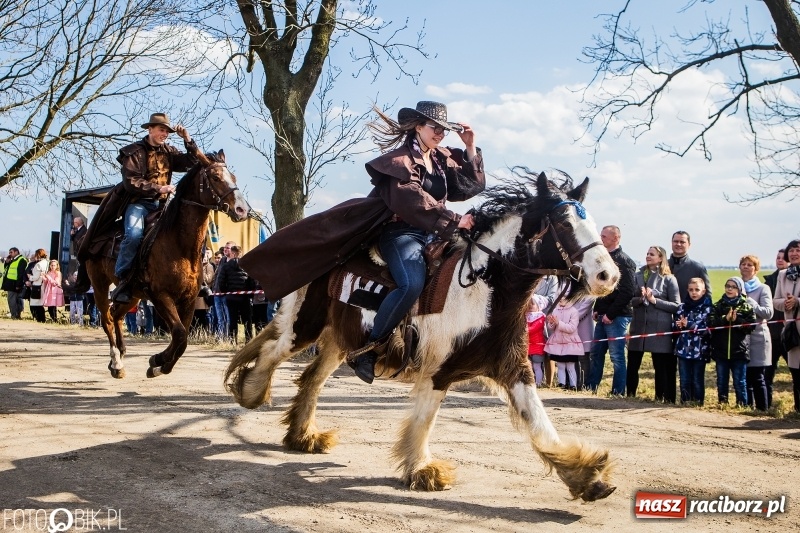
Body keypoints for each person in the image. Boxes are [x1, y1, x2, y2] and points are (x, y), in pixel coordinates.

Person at [348, 101, 485, 384]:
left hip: (437, 233)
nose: (440, 134)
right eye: (435, 128)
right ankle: (369, 349)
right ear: (418, 126)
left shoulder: (440, 159)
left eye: (445, 130)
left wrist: (470, 147)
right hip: (401, 233)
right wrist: (454, 219)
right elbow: (410, 200)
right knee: (411, 284)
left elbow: (471, 186)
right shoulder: (399, 161)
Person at [109, 113, 199, 304]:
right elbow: (131, 182)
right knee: (133, 235)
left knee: (188, 231)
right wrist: (160, 188)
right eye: (161, 129)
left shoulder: (169, 151)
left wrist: (187, 140)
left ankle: (197, 279)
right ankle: (123, 281)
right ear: (150, 129)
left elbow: (191, 163)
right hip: (139, 204)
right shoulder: (133, 152)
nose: (165, 134)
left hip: (164, 205)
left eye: (167, 131)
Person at [585, 225, 637, 396]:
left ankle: (617, 392)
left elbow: (628, 291)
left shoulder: (624, 261)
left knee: (617, 357)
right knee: (596, 354)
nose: (601, 239)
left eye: (604, 236)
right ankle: (590, 388)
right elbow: (602, 287)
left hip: (618, 317)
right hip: (602, 315)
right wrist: (597, 308)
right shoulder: (603, 258)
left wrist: (610, 314)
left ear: (616, 238)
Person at [627, 246, 681, 402]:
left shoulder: (669, 279)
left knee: (660, 367)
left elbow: (676, 305)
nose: (648, 256)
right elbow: (630, 300)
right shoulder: (637, 276)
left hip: (659, 329)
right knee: (633, 364)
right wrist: (641, 299)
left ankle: (660, 397)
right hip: (638, 327)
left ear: (660, 258)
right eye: (647, 253)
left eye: (652, 254)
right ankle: (630, 395)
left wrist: (654, 301)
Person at [708, 277, 755, 407]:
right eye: (727, 285)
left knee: (740, 382)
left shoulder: (746, 306)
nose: (729, 289)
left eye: (733, 287)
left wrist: (737, 321)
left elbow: (751, 326)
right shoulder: (718, 305)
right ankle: (722, 403)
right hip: (721, 351)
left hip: (739, 351)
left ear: (739, 290)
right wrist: (725, 319)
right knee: (722, 380)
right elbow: (711, 324)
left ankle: (742, 405)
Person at [739, 255, 773, 411]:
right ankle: (748, 408)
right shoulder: (736, 287)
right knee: (745, 378)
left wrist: (752, 304)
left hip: (758, 338)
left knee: (758, 377)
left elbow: (768, 313)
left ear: (756, 269)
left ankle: (762, 409)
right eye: (743, 264)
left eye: (750, 265)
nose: (746, 267)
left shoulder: (763, 289)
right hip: (742, 339)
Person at [674, 278, 713, 405]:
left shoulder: (707, 308)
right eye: (691, 290)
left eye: (697, 290)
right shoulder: (682, 307)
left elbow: (706, 329)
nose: (694, 292)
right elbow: (675, 325)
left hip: (700, 350)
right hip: (683, 348)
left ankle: (698, 402)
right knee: (684, 378)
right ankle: (685, 401)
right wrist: (678, 325)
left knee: (697, 378)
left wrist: (689, 325)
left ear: (703, 291)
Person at [772, 240, 800, 412]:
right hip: (792, 331)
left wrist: (798, 301)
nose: (794, 253)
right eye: (792, 250)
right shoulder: (783, 275)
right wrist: (787, 303)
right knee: (796, 373)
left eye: (798, 250)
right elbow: (776, 302)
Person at [763, 248, 788, 408]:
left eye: (783, 258)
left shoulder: (794, 281)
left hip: (790, 334)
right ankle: (765, 406)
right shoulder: (769, 282)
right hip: (772, 335)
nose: (780, 260)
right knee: (768, 374)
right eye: (777, 257)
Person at [545, 298, 583, 390]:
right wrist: (551, 322)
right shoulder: (555, 310)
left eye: (565, 297)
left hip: (570, 343)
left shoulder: (574, 311)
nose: (561, 299)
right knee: (560, 365)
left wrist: (559, 323)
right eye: (560, 296)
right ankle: (561, 384)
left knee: (570, 366)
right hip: (558, 343)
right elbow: (551, 328)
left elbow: (571, 328)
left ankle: (573, 385)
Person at [218, 245, 253, 344]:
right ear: (241, 253)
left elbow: (221, 281)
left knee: (232, 320)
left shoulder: (226, 266)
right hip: (245, 297)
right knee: (247, 320)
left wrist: (226, 291)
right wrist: (250, 294)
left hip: (231, 297)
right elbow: (251, 280)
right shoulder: (247, 265)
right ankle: (249, 341)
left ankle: (232, 341)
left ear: (232, 253)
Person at [668, 231, 712, 299]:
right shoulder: (661, 266)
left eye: (682, 242)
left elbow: (707, 295)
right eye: (676, 241)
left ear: (689, 244)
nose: (678, 244)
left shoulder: (698, 268)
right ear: (671, 243)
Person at [212, 242, 235, 340]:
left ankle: (229, 337)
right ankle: (221, 337)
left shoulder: (234, 261)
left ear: (233, 249)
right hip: (217, 293)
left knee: (228, 317)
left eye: (228, 248)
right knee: (220, 318)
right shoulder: (222, 260)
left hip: (227, 294)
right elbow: (217, 275)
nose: (225, 249)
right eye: (225, 248)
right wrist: (214, 288)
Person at [527, 295, 547, 386]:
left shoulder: (541, 317)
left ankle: (539, 383)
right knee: (529, 367)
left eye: (533, 304)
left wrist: (524, 330)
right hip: (527, 346)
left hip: (537, 346)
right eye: (528, 304)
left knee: (537, 366)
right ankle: (530, 383)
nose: (530, 306)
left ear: (539, 306)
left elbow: (534, 328)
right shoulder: (525, 316)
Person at [2, 247, 28, 319]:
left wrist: (18, 285)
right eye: (9, 252)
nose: (10, 254)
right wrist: (6, 263)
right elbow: (7, 269)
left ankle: (14, 315)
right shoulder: (12, 260)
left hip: (15, 283)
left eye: (11, 252)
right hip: (10, 283)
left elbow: (21, 273)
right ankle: (16, 314)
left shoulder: (21, 260)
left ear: (16, 252)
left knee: (12, 300)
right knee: (15, 299)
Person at [26, 249, 48, 323]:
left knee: (35, 304)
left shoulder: (39, 264)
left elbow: (36, 277)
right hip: (44, 284)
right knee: (40, 303)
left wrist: (30, 277)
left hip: (37, 285)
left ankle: (39, 319)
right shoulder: (47, 262)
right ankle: (42, 319)